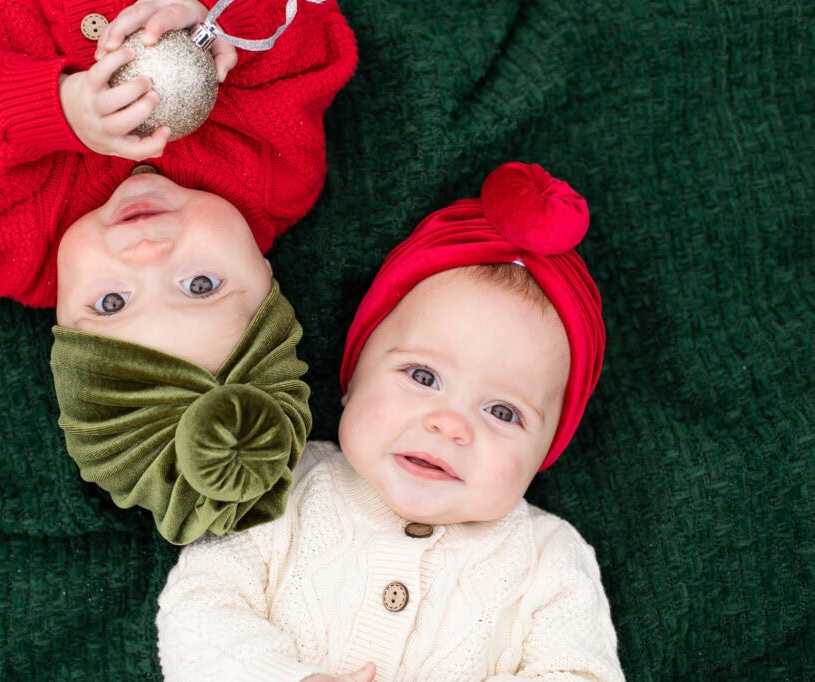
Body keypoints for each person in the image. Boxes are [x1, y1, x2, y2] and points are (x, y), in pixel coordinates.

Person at [0, 0, 358, 544]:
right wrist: (219, 23)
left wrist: (57, 110)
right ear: (263, 273)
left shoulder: (11, 249)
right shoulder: (271, 175)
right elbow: (311, 32)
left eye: (112, 302)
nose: (146, 251)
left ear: (65, 329)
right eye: (199, 285)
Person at [156, 162, 624, 680]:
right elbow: (199, 611)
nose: (449, 425)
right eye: (423, 376)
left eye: (502, 412)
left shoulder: (549, 560)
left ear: (545, 451)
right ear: (354, 375)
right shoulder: (281, 484)